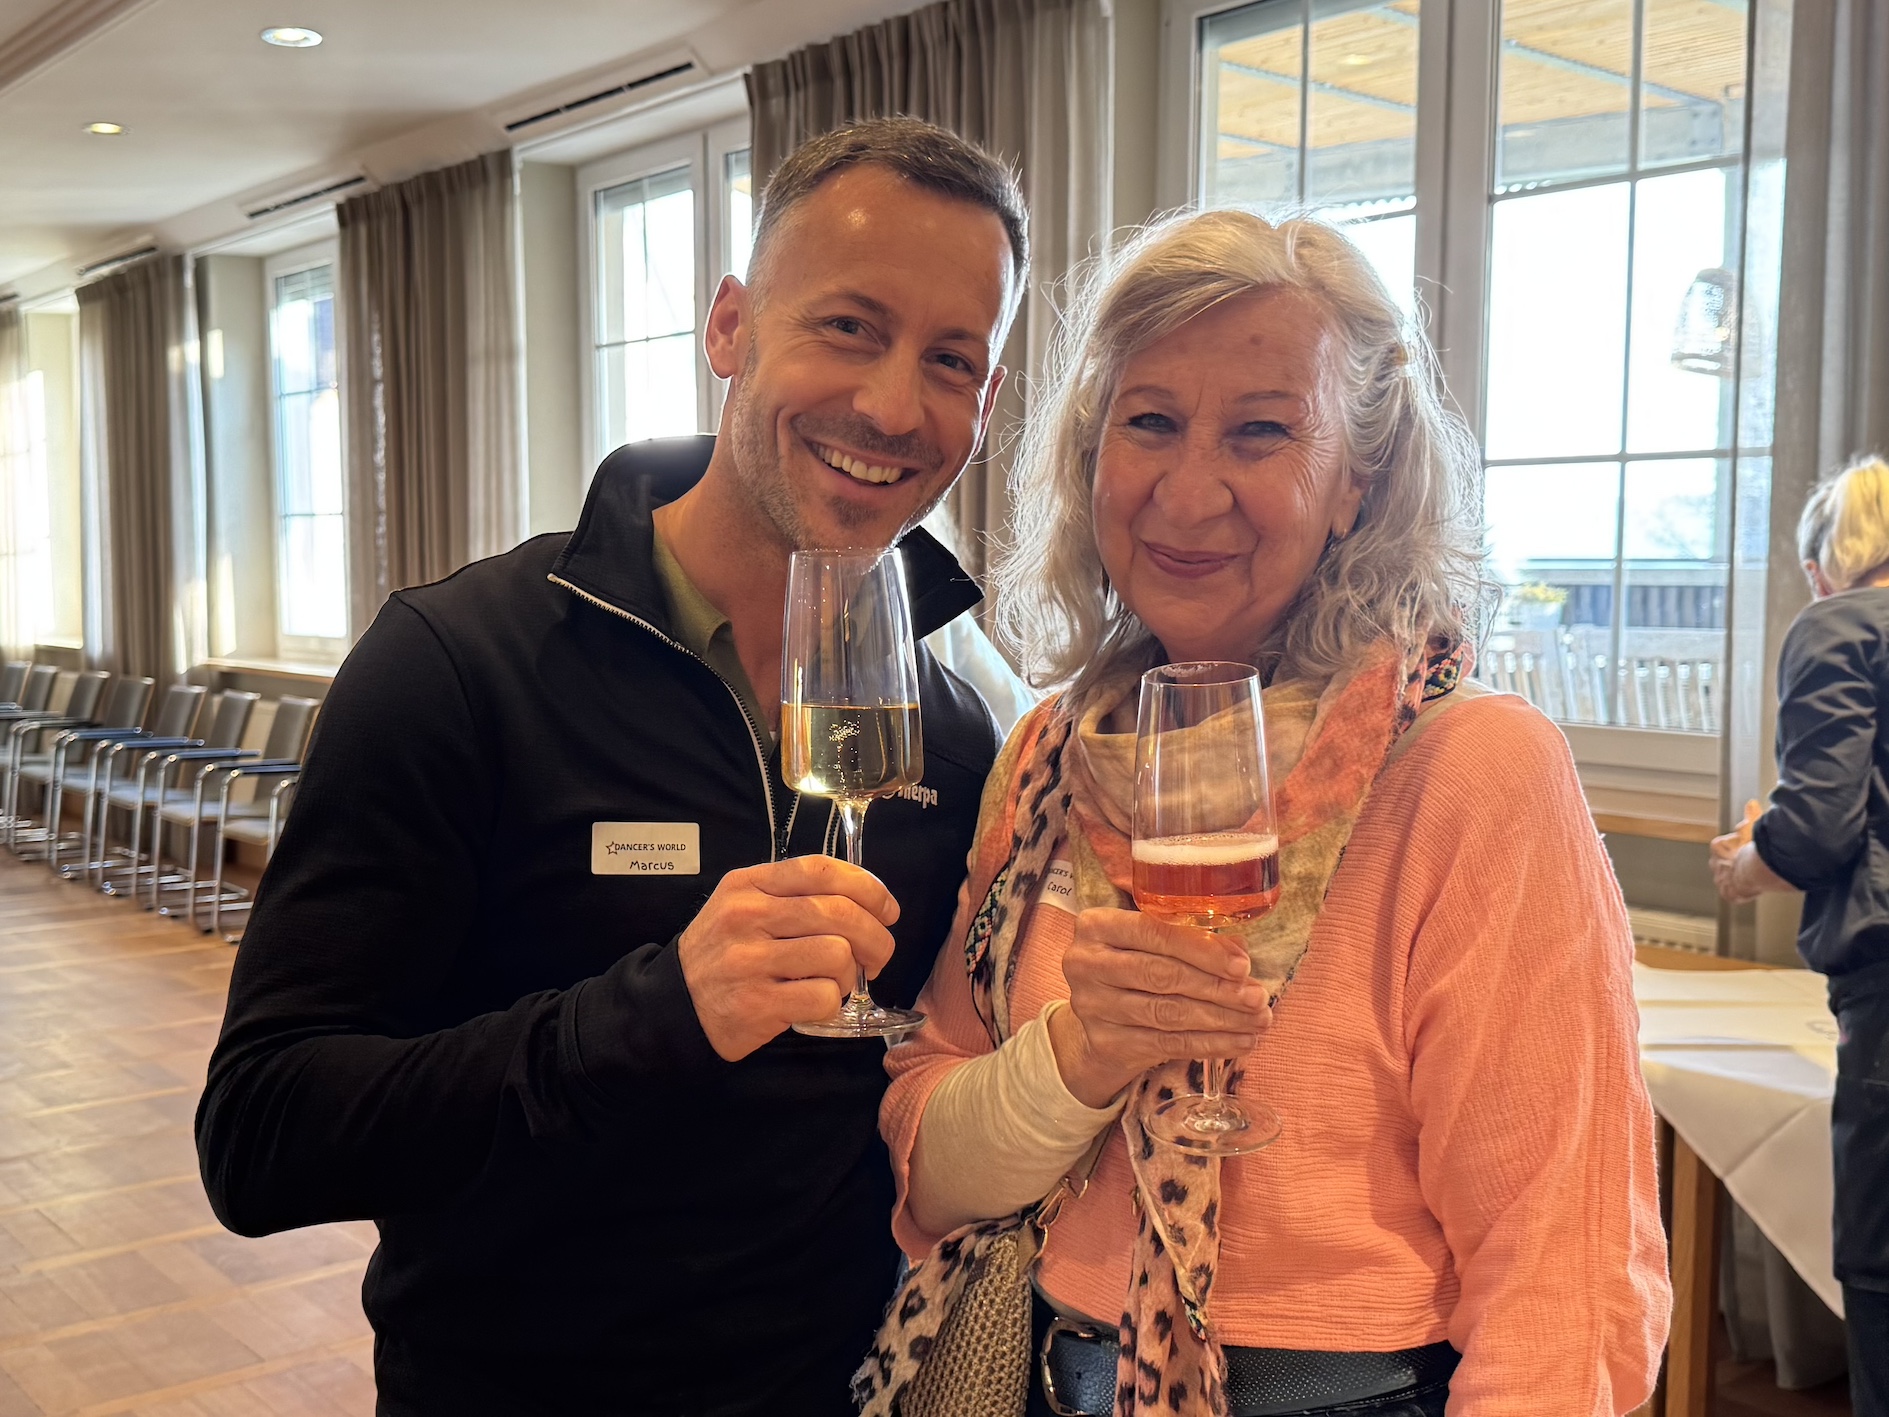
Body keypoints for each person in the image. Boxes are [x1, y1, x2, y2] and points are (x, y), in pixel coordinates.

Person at [195, 118, 1025, 1415]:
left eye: (951, 360)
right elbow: (262, 1136)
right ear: (729, 327)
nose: (889, 405)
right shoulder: (458, 666)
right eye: (848, 327)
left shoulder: (958, 737)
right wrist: (653, 1013)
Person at [854, 209, 1671, 1417]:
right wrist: (1076, 1060)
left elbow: (1563, 1278)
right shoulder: (1047, 757)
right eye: (1148, 422)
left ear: (1357, 482)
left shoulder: (1470, 770)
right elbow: (924, 1144)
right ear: (1091, 458)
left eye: (1260, 431)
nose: (1188, 493)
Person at [1712, 456, 1889, 1417]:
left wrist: (1748, 860)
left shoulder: (1839, 625)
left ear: (1826, 563)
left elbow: (1818, 828)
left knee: (1880, 1261)